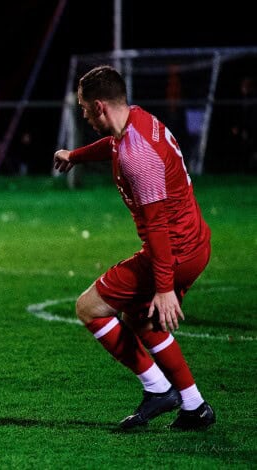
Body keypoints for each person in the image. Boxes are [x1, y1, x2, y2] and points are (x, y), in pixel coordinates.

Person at [53, 65, 215, 430]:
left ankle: (158, 389)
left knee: (89, 308)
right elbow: (111, 144)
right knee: (141, 319)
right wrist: (74, 156)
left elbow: (157, 224)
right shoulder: (137, 122)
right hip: (192, 244)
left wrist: (164, 288)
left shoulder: (137, 156)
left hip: (173, 251)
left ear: (99, 107)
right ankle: (194, 406)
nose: (82, 115)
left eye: (83, 108)